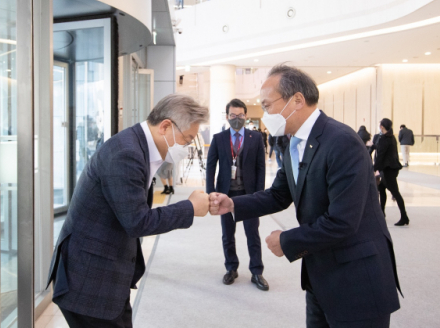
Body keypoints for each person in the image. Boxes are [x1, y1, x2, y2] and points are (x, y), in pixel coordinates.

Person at [209, 65, 401, 327]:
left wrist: (287, 241)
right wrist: (232, 204)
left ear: (296, 100)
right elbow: (278, 195)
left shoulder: (341, 141)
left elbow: (343, 221)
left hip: (356, 280)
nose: (265, 115)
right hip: (320, 276)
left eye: (267, 106)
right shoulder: (294, 143)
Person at [46, 94, 210, 327]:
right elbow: (137, 221)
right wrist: (190, 208)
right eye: (187, 139)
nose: (186, 147)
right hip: (88, 282)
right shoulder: (127, 154)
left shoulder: (138, 146)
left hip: (105, 275)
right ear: (165, 126)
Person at [206, 99, 269, 291]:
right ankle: (231, 268)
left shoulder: (255, 138)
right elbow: (211, 166)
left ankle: (257, 272)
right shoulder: (219, 138)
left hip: (248, 194)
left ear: (246, 116)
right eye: (233, 115)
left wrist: (259, 195)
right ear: (227, 117)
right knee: (228, 234)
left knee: (252, 233)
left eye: (240, 115)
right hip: (226, 193)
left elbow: (260, 167)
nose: (237, 119)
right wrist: (211, 193)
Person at [374, 119, 409, 226]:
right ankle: (381, 213)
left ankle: (404, 217)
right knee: (382, 189)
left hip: (388, 169)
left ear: (382, 127)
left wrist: (374, 169)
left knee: (395, 193)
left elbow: (381, 155)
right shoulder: (390, 137)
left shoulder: (385, 138)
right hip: (389, 168)